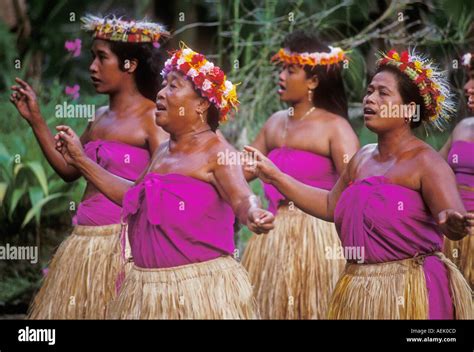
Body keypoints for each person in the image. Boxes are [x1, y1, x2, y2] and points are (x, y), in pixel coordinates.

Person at [244, 49, 473, 319]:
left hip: (410, 294)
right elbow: (331, 205)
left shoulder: (427, 163)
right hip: (360, 290)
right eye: (369, 91)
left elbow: (452, 219)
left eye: (383, 93)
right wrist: (276, 177)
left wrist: (452, 223)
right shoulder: (362, 157)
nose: (370, 99)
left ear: (409, 110)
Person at [55, 43, 275, 319]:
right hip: (148, 292)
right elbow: (132, 196)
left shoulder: (217, 153)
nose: (160, 93)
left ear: (202, 104)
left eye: (174, 86)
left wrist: (254, 212)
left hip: (197, 295)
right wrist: (80, 160)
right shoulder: (162, 152)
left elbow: (242, 196)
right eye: (163, 85)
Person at [9, 14, 169, 319]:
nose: (92, 67)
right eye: (92, 57)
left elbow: (151, 192)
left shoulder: (153, 119)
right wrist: (36, 120)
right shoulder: (98, 117)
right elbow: (70, 170)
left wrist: (81, 159)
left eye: (101, 58)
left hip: (125, 248)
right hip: (83, 242)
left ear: (129, 65)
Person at [241, 30, 359, 319]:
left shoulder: (335, 128)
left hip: (319, 238)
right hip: (272, 234)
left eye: (290, 70)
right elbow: (240, 170)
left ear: (314, 81)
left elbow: (354, 191)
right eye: (281, 68)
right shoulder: (275, 123)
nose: (280, 76)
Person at [439, 51, 474, 290]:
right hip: (454, 236)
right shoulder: (462, 128)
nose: (468, 86)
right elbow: (435, 172)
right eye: (469, 77)